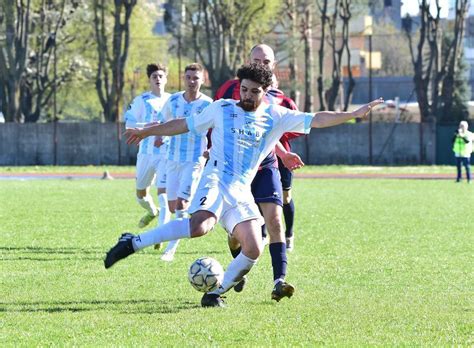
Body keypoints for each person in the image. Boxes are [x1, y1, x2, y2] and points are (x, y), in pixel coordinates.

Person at [104, 63, 383, 308]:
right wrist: (147, 131)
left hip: (240, 191)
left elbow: (318, 118)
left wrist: (354, 113)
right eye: (244, 90)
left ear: (266, 91)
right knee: (200, 226)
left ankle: (215, 293)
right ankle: (133, 242)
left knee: (253, 247)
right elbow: (183, 125)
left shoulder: (276, 115)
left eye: (254, 92)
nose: (247, 96)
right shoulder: (221, 108)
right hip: (214, 178)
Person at [214, 44, 303, 301]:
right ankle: (238, 269)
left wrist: (283, 153)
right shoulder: (233, 89)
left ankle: (279, 281)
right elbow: (219, 122)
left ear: (273, 65)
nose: (262, 64)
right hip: (237, 170)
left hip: (265, 167)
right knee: (236, 238)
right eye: (257, 59)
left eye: (266, 61)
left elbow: (270, 131)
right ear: (248, 60)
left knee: (275, 222)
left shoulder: (276, 97)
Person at [159, 63, 213, 261]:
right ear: (184, 78)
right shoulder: (173, 101)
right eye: (189, 77)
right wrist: (159, 136)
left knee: (181, 203)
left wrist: (211, 149)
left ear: (202, 80)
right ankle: (202, 214)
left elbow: (217, 129)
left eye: (196, 78)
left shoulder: (208, 104)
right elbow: (163, 123)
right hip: (172, 159)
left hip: (194, 160)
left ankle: (170, 249)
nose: (192, 81)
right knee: (173, 207)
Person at [124, 63, 171, 229]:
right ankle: (152, 211)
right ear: (149, 80)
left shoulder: (173, 100)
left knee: (164, 194)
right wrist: (150, 127)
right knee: (141, 195)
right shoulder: (141, 101)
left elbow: (179, 125)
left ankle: (161, 233)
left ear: (166, 79)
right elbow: (129, 126)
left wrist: (163, 134)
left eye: (160, 76)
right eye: (154, 76)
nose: (158, 79)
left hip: (166, 155)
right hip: (146, 154)